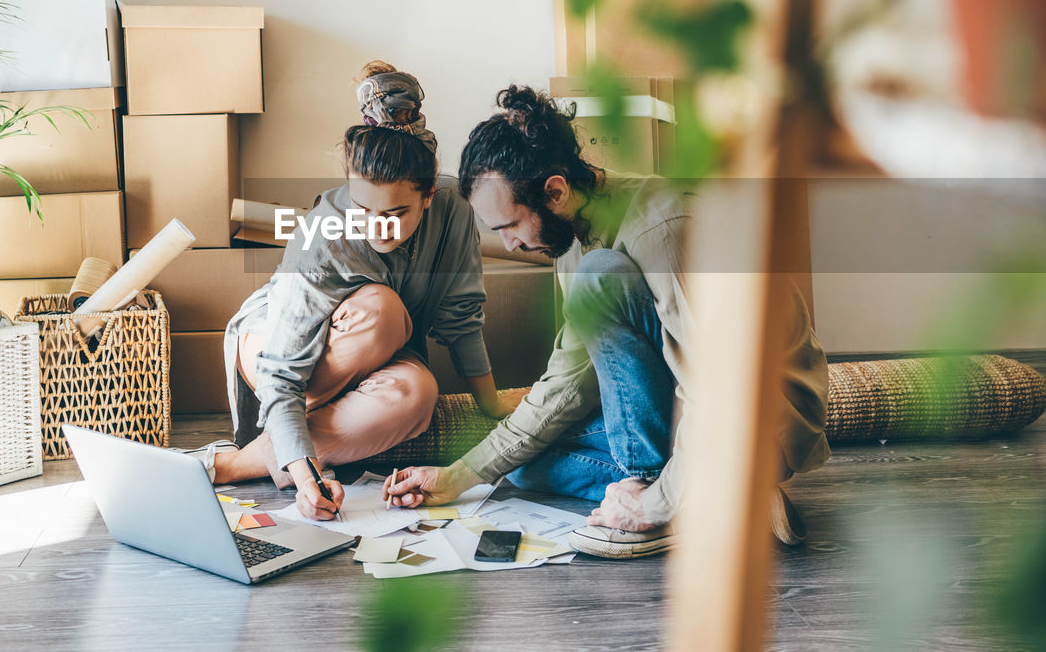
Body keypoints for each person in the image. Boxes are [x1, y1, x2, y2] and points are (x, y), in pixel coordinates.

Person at [383, 86, 831, 558]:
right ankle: (720, 494)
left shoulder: (665, 229)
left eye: (509, 226)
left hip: (764, 413)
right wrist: (458, 477)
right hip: (681, 400)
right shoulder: (566, 234)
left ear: (554, 190)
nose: (509, 244)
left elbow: (726, 390)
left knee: (602, 276)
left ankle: (660, 491)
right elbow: (566, 381)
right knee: (519, 465)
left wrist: (653, 505)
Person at [178, 62, 518, 522]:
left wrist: (491, 403)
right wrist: (305, 478)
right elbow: (281, 372)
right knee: (383, 310)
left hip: (370, 365)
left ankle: (244, 459)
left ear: (429, 197)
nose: (376, 228)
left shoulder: (455, 211)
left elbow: (460, 318)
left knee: (418, 392)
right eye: (362, 209)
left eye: (396, 213)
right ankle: (240, 463)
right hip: (274, 350)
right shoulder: (324, 233)